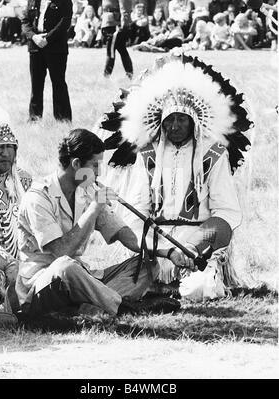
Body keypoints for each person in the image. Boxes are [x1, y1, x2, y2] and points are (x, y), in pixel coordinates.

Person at [95, 54, 253, 301]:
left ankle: (189, 278)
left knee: (198, 290)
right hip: (157, 244)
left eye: (182, 119)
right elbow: (136, 209)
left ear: (194, 121)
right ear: (161, 121)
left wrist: (194, 246)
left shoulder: (213, 153)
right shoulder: (147, 153)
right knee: (129, 287)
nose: (175, 125)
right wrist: (158, 249)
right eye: (170, 119)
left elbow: (226, 212)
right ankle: (157, 279)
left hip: (197, 244)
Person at [15, 128, 184, 321]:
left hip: (80, 281)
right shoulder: (38, 198)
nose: (99, 172)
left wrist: (168, 252)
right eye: (95, 166)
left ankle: (92, 308)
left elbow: (126, 236)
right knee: (65, 266)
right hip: (42, 286)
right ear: (77, 164)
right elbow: (61, 252)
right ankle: (121, 307)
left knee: (147, 265)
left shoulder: (86, 191)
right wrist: (95, 207)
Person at [0, 89, 32, 333]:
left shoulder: (24, 181)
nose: (6, 153)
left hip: (23, 265)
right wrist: (3, 263)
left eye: (11, 146)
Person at [22, 0, 73, 122]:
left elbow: (65, 22)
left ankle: (63, 120)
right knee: (36, 85)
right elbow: (25, 21)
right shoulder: (32, 1)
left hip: (56, 48)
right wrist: (34, 36)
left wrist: (47, 38)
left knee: (58, 83)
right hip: (35, 46)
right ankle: (34, 119)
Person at [101, 0, 133, 79]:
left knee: (110, 50)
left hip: (115, 24)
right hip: (108, 23)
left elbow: (125, 8)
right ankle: (129, 73)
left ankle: (106, 74)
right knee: (121, 49)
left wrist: (124, 25)